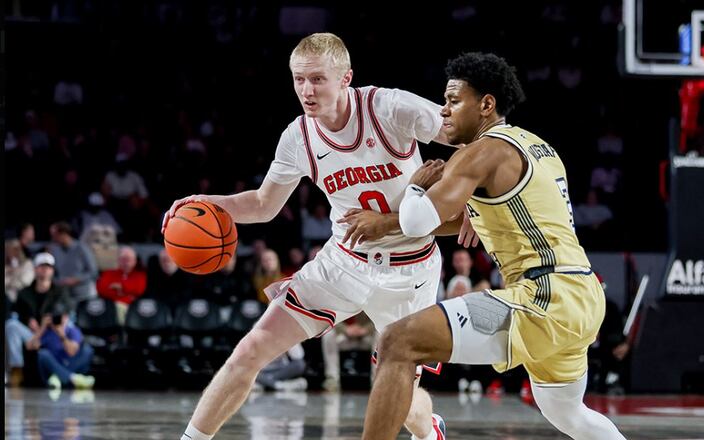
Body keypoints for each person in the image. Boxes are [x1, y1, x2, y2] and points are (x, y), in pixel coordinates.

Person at [164, 33, 476, 440]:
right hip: (343, 262)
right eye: (298, 80)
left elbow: (473, 135)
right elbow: (263, 204)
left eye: (317, 79)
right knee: (249, 350)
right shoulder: (298, 137)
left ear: (346, 78)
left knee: (402, 400)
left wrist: (482, 199)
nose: (306, 91)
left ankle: (428, 429)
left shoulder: (389, 107)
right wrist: (207, 202)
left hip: (408, 269)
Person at [360, 52, 626, 440]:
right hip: (581, 293)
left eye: (453, 101)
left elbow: (419, 219)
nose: (443, 111)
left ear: (486, 104)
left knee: (397, 341)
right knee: (570, 414)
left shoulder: (480, 152)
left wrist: (417, 184)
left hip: (544, 295)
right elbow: (500, 216)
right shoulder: (537, 146)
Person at [5, 252, 71, 386]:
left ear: (52, 270)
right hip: (32, 334)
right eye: (41, 266)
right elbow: (18, 314)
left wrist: (46, 324)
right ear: (35, 269)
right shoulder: (24, 293)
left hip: (52, 332)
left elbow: (64, 313)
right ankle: (16, 369)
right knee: (11, 325)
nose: (45, 270)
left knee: (70, 324)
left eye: (48, 267)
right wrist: (28, 320)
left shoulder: (60, 292)